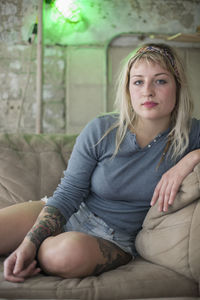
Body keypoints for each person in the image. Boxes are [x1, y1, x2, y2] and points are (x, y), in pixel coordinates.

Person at [1, 43, 200, 283]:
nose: (148, 91)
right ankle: (37, 247)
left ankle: (43, 252)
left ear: (177, 86)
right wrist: (29, 242)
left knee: (61, 255)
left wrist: (190, 158)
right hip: (72, 213)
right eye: (138, 81)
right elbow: (68, 193)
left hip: (113, 239)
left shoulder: (191, 134)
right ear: (128, 89)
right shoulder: (102, 129)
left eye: (160, 81)